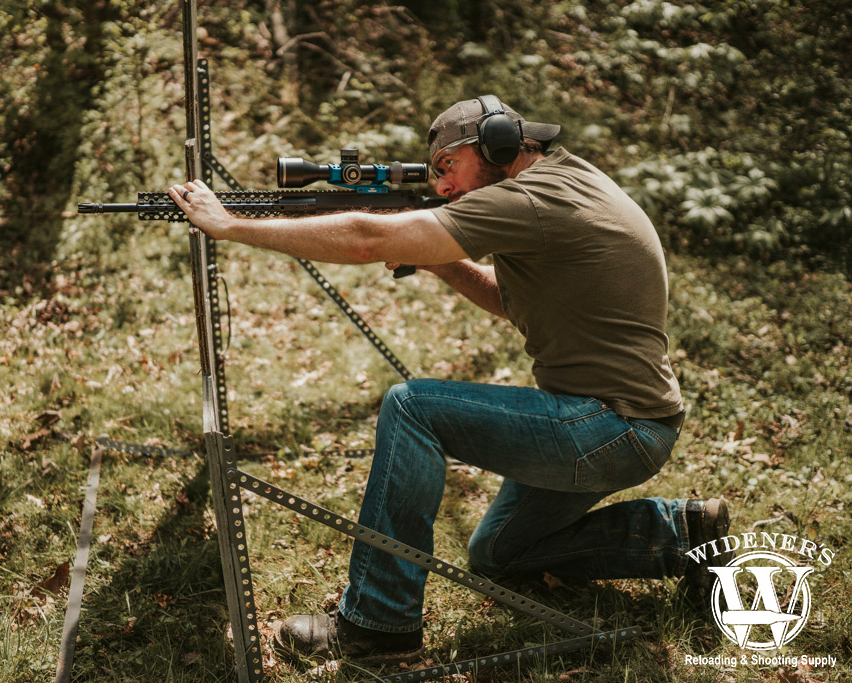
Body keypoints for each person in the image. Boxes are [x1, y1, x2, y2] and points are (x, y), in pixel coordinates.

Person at [169, 96, 731, 666]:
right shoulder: (566, 180)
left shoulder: (533, 199)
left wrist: (230, 226)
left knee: (414, 408)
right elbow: (514, 302)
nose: (441, 186)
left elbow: (368, 240)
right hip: (629, 421)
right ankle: (684, 534)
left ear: (497, 144)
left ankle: (379, 625)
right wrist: (437, 258)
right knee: (499, 553)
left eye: (447, 166)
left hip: (612, 426)